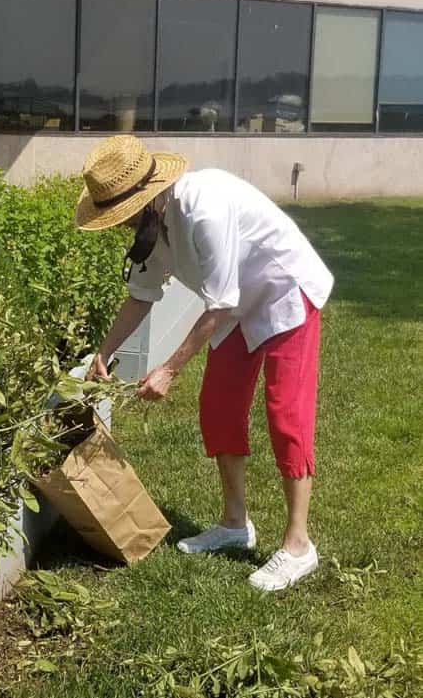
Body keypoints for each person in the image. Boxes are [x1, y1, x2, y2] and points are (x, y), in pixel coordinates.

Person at [78, 135, 333, 591]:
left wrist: (169, 369)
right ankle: (235, 523)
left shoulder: (204, 208)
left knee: (286, 415)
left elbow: (216, 306)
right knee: (218, 408)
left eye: (123, 216)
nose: (121, 226)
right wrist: (105, 351)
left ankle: (298, 544)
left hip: (282, 292)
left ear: (148, 195)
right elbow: (142, 295)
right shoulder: (152, 226)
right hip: (236, 305)